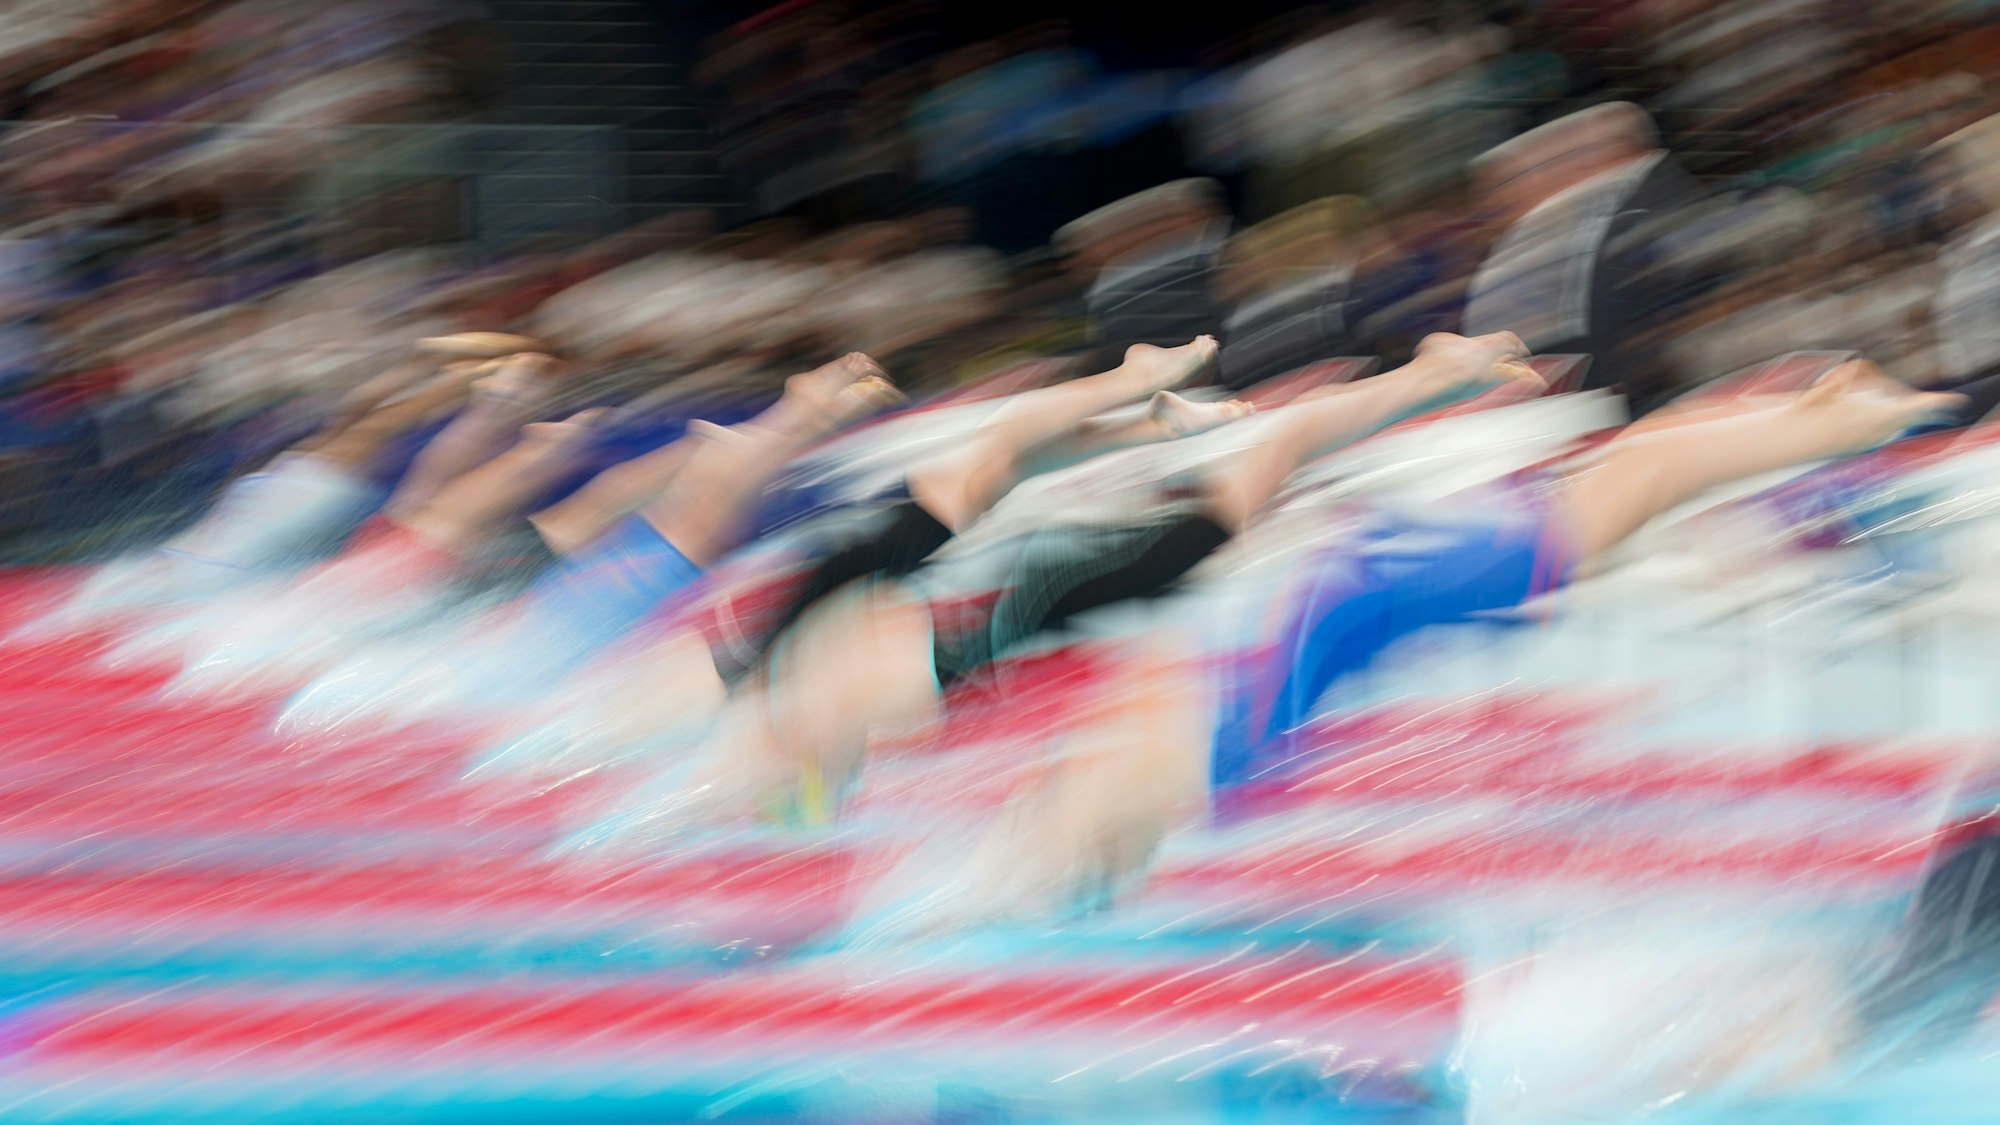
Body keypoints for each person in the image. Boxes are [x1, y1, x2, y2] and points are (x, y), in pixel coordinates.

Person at [568, 330, 1552, 839]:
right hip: (1029, 589)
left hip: (1021, 588)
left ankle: (1158, 400)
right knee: (1260, 446)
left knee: (1018, 459)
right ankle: (1416, 379)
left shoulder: (806, 697)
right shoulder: (823, 701)